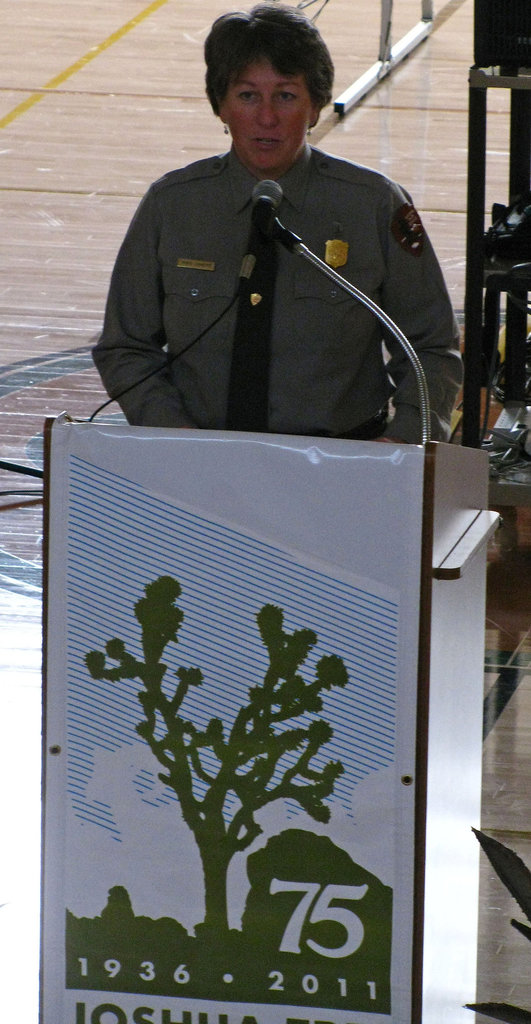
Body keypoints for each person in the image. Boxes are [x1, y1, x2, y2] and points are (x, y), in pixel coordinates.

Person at [92, 2, 462, 443]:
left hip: (342, 460)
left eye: (286, 95)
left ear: (315, 106)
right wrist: (177, 438)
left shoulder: (373, 205)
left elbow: (431, 348)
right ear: (221, 106)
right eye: (248, 95)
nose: (267, 117)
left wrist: (402, 442)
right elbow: (126, 347)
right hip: (200, 458)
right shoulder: (172, 206)